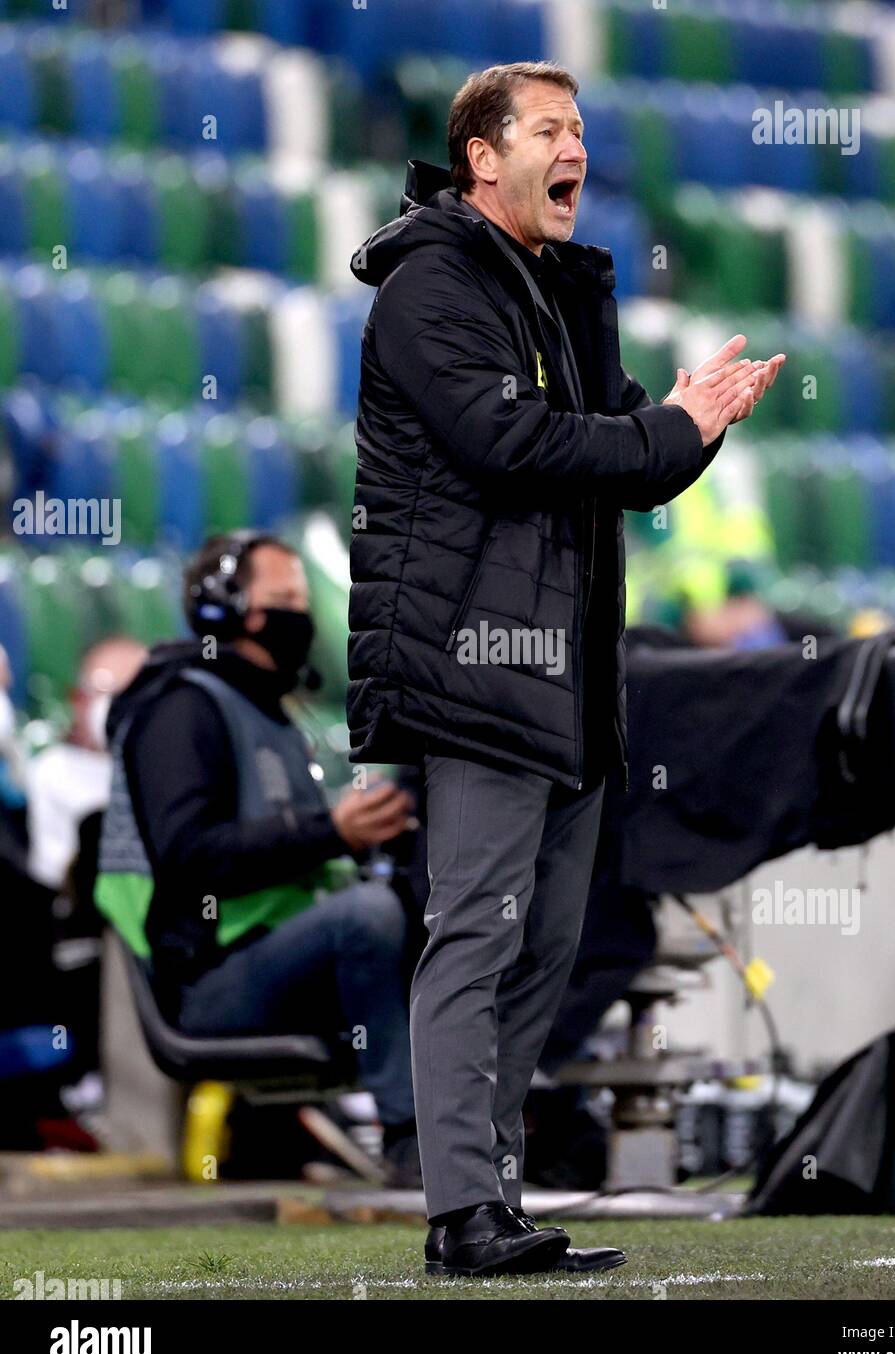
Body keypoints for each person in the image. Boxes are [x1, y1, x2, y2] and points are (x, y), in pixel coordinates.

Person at [347, 60, 784, 1275]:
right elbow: (508, 442)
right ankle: (456, 1212)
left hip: (567, 673)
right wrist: (666, 427)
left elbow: (626, 459)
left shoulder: (553, 291)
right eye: (550, 129)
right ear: (484, 157)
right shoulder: (430, 284)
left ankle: (494, 1197)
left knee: (545, 946)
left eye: (581, 130)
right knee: (475, 934)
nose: (574, 148)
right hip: (475, 664)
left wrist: (694, 422)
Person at [95, 533, 421, 1182]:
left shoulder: (265, 712)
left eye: (302, 599)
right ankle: (412, 1140)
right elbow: (190, 855)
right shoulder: (181, 707)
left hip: (276, 956)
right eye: (282, 599)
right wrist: (330, 831)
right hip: (212, 980)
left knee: (435, 907)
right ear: (224, 609)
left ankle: (511, 1120)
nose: (298, 615)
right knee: (366, 918)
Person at [26, 637, 146, 892]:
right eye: (108, 692)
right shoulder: (55, 770)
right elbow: (53, 870)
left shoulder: (166, 771)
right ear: (79, 698)